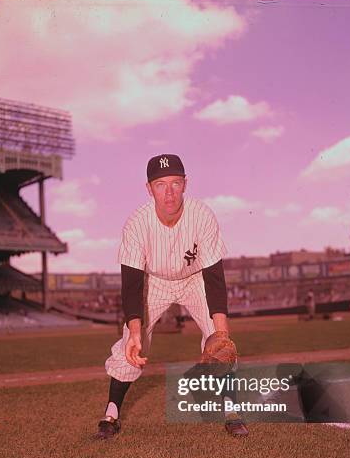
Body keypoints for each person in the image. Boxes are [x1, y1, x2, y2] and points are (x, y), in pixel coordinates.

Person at [96, 153, 248, 440]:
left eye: (175, 183)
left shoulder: (201, 215)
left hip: (195, 280)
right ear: (148, 188)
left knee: (221, 341)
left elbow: (214, 278)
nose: (169, 192)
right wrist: (136, 331)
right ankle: (111, 413)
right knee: (130, 344)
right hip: (154, 282)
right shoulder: (137, 224)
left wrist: (221, 333)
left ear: (185, 184)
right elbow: (130, 285)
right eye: (160, 184)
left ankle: (231, 411)